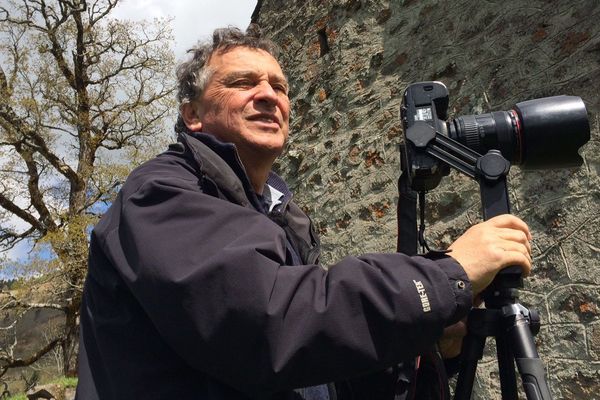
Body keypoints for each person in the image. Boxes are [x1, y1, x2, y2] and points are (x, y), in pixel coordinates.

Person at [76, 25, 532, 400]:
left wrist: (430, 343)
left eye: (279, 86)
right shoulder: (160, 193)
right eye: (242, 83)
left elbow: (318, 378)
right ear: (193, 113)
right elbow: (267, 322)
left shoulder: (282, 219)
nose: (268, 95)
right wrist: (445, 276)